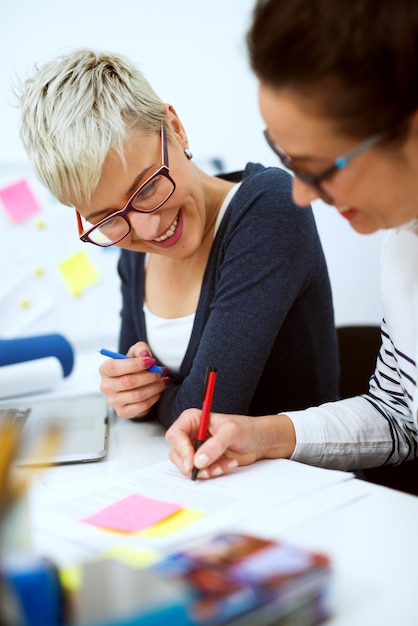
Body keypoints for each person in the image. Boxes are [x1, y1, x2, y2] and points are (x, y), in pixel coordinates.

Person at [18, 48, 339, 429]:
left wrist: (158, 396)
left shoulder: (268, 206)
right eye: (107, 218)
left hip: (301, 482)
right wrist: (128, 391)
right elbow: (139, 397)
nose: (150, 229)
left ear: (175, 127)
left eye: (149, 187)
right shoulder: (133, 249)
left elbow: (207, 415)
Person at [165, 0, 418, 480]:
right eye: (285, 157)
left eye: (318, 166)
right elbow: (400, 418)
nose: (301, 193)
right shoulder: (404, 243)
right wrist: (263, 435)